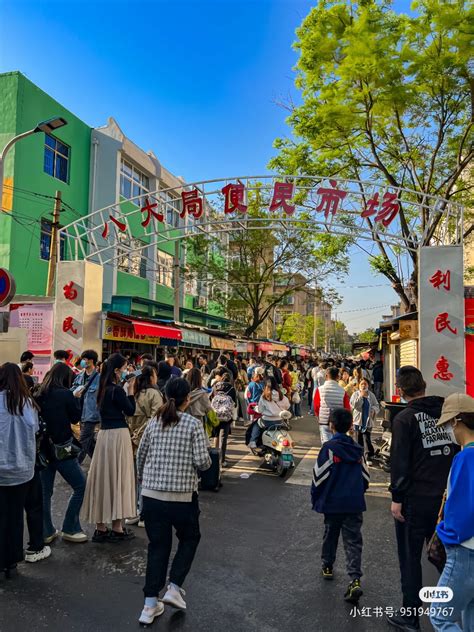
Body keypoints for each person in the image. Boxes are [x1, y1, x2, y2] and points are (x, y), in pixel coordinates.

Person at [387, 366, 457, 632]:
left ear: (401, 391)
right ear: (425, 385)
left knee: (410, 558)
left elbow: (400, 463)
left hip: (414, 501)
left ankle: (410, 615)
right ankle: (455, 605)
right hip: (444, 501)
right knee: (445, 557)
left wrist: (397, 497)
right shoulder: (447, 414)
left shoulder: (404, 419)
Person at [136, 378, 211, 624]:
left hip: (152, 496)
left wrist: (144, 479)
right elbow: (203, 462)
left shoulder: (154, 422)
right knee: (190, 538)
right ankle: (174, 587)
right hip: (182, 497)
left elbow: (141, 456)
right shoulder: (192, 424)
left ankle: (149, 606)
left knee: (158, 547)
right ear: (187, 399)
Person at [311, 408, 369, 604]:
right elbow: (366, 478)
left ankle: (327, 566)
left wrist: (316, 498)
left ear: (331, 426)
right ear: (351, 426)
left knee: (330, 534)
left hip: (332, 503)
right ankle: (354, 580)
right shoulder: (358, 450)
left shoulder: (328, 448)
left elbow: (318, 478)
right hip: (353, 504)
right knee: (353, 541)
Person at [430, 393, 474, 632]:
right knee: (471, 616)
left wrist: (444, 532)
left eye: (448, 423)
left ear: (457, 421)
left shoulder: (465, 457)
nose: (448, 429)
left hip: (465, 550)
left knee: (440, 615)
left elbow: (459, 511)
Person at [81, 353, 137, 543]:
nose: (125, 371)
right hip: (119, 435)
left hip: (104, 436)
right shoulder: (118, 391)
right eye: (124, 368)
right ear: (116, 370)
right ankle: (117, 527)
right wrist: (130, 391)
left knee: (102, 479)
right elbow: (130, 410)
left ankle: (100, 527)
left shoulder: (102, 389)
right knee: (119, 479)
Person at [36, 362, 87, 543]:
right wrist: (76, 398)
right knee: (81, 486)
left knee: (45, 493)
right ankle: (70, 527)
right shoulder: (66, 394)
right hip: (62, 449)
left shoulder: (38, 394)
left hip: (42, 451)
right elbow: (75, 417)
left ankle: (46, 531)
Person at [0, 363, 40, 578]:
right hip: (22, 470)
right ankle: (11, 562)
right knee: (15, 517)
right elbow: (34, 430)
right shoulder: (27, 403)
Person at [125, 365, 163, 527]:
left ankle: (131, 511)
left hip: (129, 440)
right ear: (150, 377)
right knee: (146, 477)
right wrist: (138, 436)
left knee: (133, 477)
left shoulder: (132, 394)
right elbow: (157, 418)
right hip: (147, 441)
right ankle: (143, 513)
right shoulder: (154, 394)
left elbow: (126, 415)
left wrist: (132, 436)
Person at [73, 350, 101, 464]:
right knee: (89, 444)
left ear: (91, 361)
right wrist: (73, 393)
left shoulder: (99, 377)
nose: (83, 362)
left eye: (85, 359)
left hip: (92, 414)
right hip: (81, 413)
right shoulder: (79, 376)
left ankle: (75, 466)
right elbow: (72, 389)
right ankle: (99, 463)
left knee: (83, 440)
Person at [248, 377, 290, 449]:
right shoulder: (281, 395)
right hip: (279, 421)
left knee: (256, 424)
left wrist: (255, 408)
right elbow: (288, 406)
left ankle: (253, 442)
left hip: (267, 421)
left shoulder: (264, 396)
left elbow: (260, 410)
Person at [313, 367, 351, 445]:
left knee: (326, 444)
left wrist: (318, 417)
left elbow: (316, 406)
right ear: (338, 377)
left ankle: (327, 456)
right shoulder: (342, 391)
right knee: (338, 443)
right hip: (339, 422)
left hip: (324, 421)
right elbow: (347, 408)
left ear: (326, 376)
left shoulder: (320, 389)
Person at [210, 367, 237, 466]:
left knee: (216, 436)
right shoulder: (232, 389)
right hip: (226, 417)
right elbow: (235, 404)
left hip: (216, 415)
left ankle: (214, 457)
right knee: (223, 438)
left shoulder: (215, 386)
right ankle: (222, 460)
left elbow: (211, 399)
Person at [350, 379, 380, 465]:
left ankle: (367, 457)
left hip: (368, 421)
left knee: (367, 439)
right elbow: (354, 405)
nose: (363, 386)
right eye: (362, 384)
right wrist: (360, 397)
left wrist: (373, 410)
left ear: (368, 385)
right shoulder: (355, 394)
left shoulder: (371, 395)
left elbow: (376, 405)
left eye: (365, 384)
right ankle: (359, 456)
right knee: (358, 439)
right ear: (359, 385)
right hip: (358, 421)